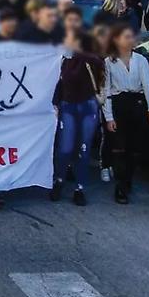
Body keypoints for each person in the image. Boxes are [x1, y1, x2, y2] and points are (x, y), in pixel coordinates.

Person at [102, 24, 149, 204]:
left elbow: (147, 84)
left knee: (134, 148)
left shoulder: (141, 60)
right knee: (119, 147)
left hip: (136, 104)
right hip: (119, 104)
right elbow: (107, 91)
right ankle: (120, 186)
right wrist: (109, 117)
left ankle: (128, 180)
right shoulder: (108, 62)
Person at [51, 31, 104, 205]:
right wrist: (56, 103)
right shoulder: (63, 60)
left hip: (87, 107)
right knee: (65, 148)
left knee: (84, 149)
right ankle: (59, 180)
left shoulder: (90, 58)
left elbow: (101, 66)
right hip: (68, 106)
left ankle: (79, 188)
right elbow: (58, 82)